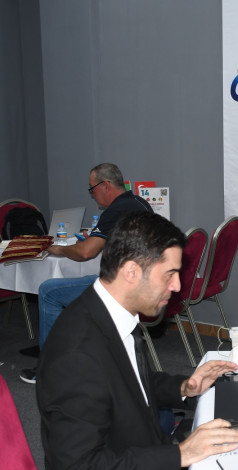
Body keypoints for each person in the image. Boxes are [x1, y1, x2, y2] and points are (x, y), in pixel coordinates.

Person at [36, 211, 238, 470]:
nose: (178, 286)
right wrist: (180, 454)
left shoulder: (111, 316)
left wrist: (185, 386)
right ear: (132, 271)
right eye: (170, 274)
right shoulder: (77, 353)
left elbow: (132, 383)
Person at [20, 162, 152, 384]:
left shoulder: (116, 209)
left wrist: (60, 249)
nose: (92, 194)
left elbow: (85, 253)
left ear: (105, 185)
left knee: (48, 291)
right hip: (144, 281)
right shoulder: (139, 202)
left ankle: (50, 367)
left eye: (92, 189)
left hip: (126, 289)